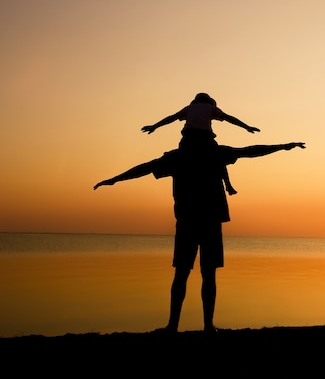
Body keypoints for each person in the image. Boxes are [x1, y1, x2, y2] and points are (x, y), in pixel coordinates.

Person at [94, 142, 305, 333]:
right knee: (203, 274)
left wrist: (114, 180)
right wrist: (283, 146)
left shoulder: (180, 156)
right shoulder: (213, 153)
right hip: (205, 219)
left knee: (185, 273)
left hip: (191, 219)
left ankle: (180, 325)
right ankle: (200, 326)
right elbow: (250, 151)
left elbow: (145, 168)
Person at [141, 92, 260, 195]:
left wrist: (154, 126)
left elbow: (171, 118)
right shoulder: (211, 108)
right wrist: (246, 127)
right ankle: (228, 185)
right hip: (204, 138)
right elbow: (229, 118)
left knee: (182, 158)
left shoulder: (188, 108)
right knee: (218, 158)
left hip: (187, 140)